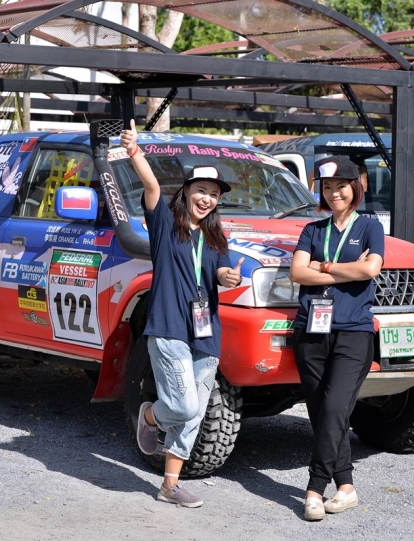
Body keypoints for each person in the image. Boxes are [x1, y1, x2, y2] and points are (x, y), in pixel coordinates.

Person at [120, 120, 243, 508]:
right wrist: (135, 151)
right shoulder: (164, 225)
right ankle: (151, 417)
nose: (207, 198)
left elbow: (220, 271)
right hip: (169, 326)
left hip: (206, 334)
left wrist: (228, 275)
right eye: (201, 190)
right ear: (186, 192)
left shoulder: (216, 237)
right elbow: (152, 187)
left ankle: (169, 484)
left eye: (213, 194)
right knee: (182, 405)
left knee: (194, 415)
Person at [289, 155, 384, 522]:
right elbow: (298, 272)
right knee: (321, 413)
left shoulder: (371, 226)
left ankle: (314, 489)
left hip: (354, 332)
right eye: (326, 188)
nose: (333, 194)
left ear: (355, 187)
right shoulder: (313, 230)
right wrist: (347, 272)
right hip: (311, 331)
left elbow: (371, 268)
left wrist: (324, 267)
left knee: (334, 409)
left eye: (340, 186)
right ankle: (346, 487)